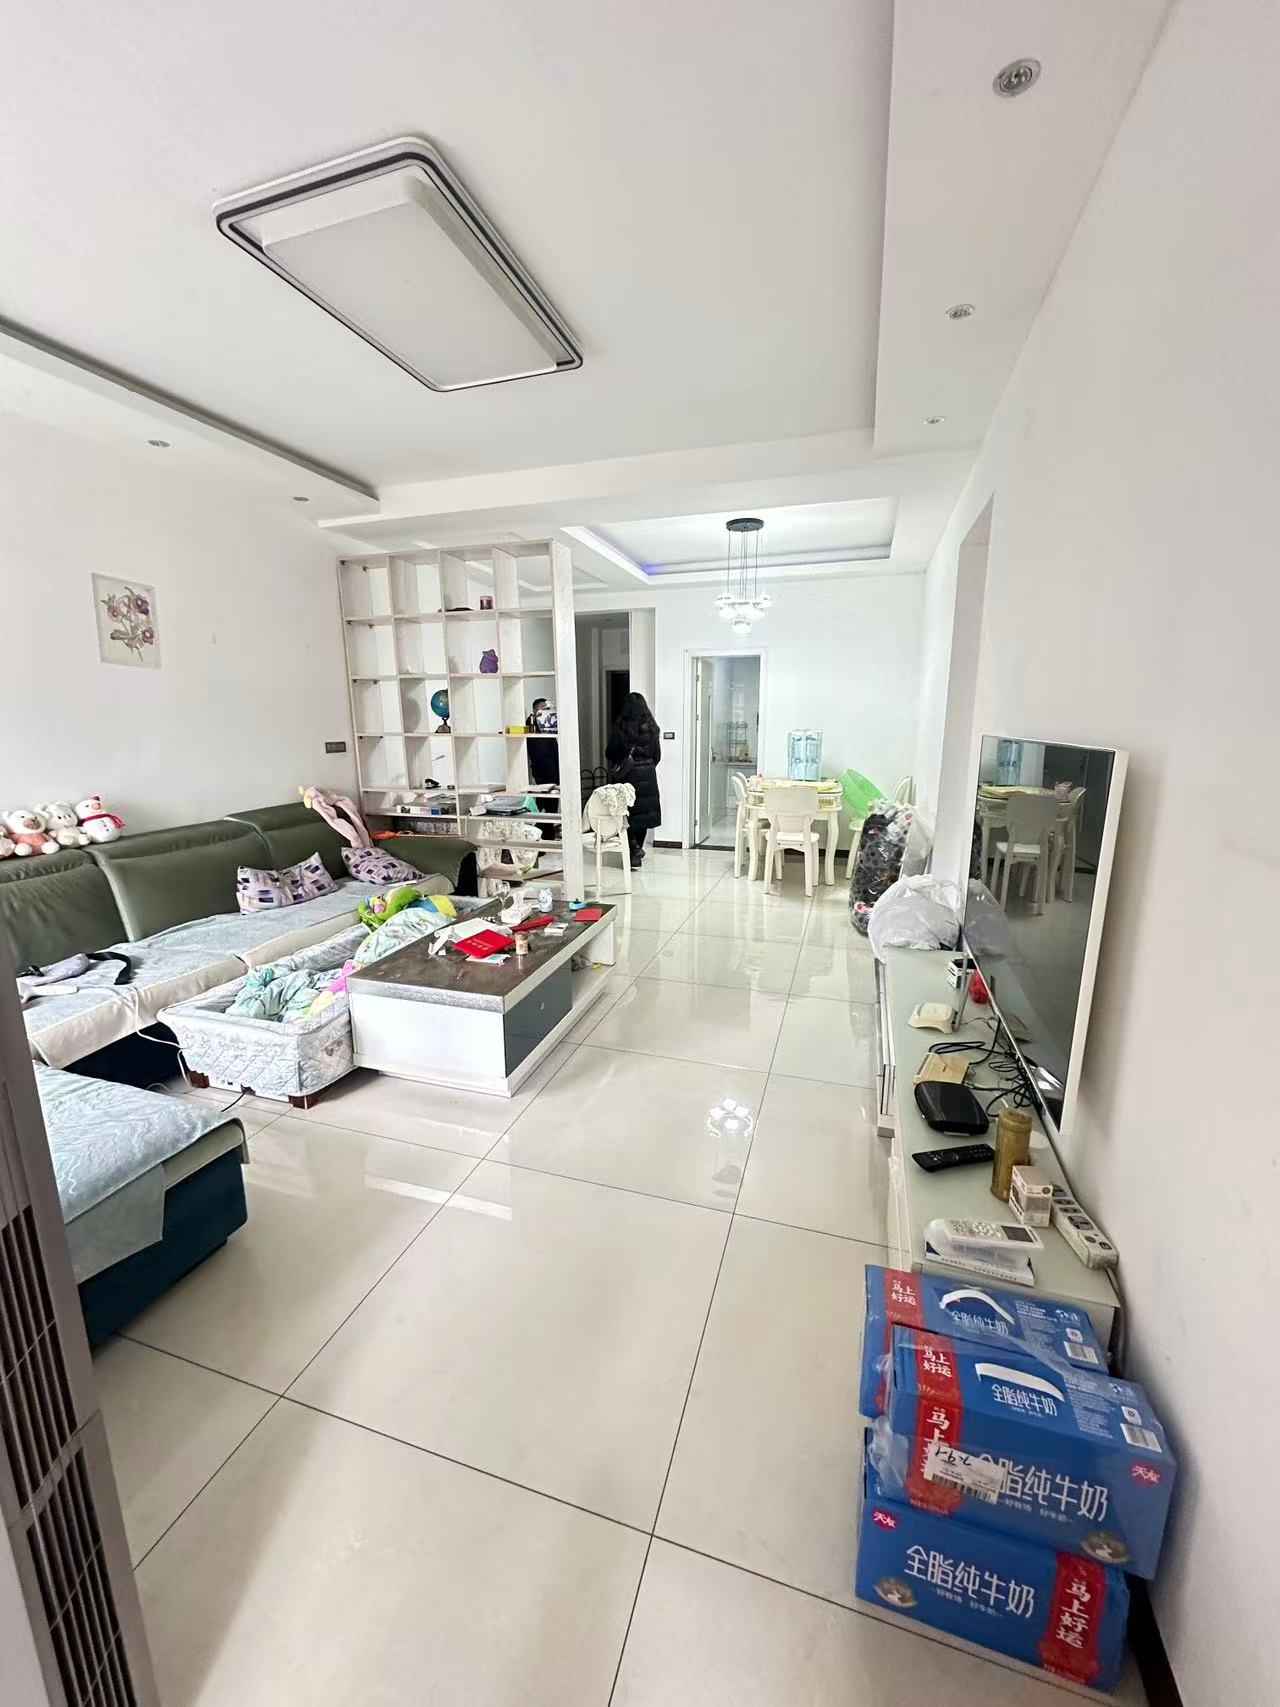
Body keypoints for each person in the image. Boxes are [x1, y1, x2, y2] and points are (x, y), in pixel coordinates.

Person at [605, 691, 661, 866]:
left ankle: (633, 849)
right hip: (648, 775)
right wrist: (646, 766)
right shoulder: (652, 728)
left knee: (627, 813)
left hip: (627, 775)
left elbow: (610, 752)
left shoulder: (621, 727)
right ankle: (637, 849)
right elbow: (657, 755)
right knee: (642, 816)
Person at [525, 697, 559, 786]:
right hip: (541, 768)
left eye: (547, 708)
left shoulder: (548, 722)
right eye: (543, 708)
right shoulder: (531, 723)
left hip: (553, 765)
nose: (545, 711)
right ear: (535, 710)